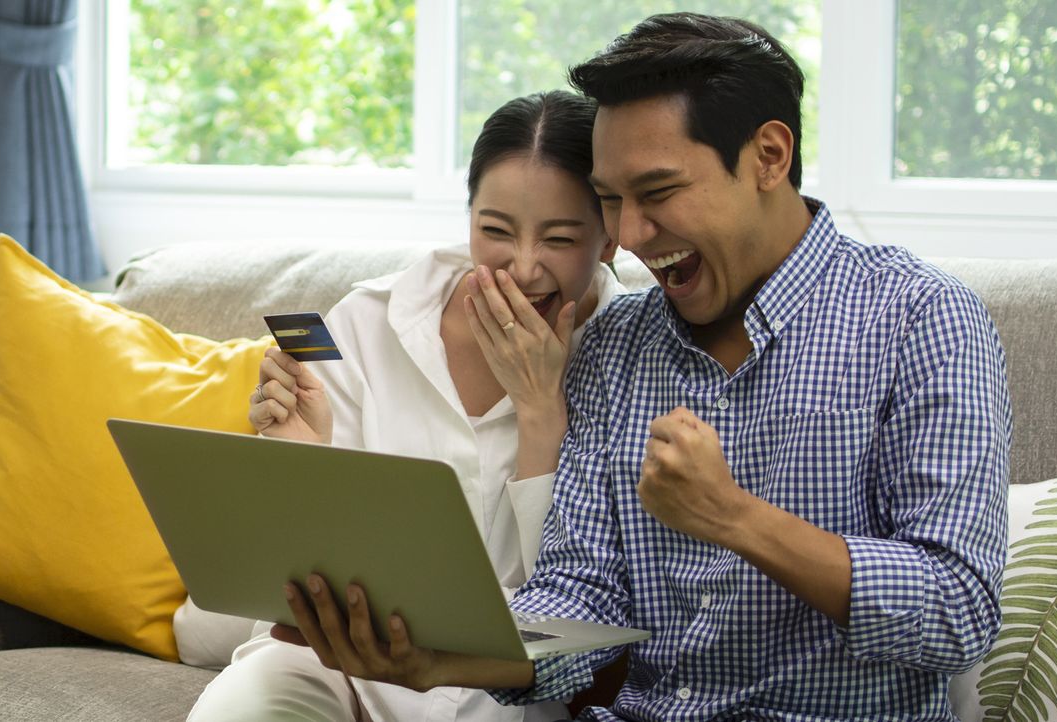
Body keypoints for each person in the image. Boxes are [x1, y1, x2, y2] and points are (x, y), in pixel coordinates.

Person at [277, 12, 1013, 721]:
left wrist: (735, 519)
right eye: (611, 202)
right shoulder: (617, 342)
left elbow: (957, 611)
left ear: (768, 157)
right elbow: (580, 600)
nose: (630, 236)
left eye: (658, 193)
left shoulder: (923, 318)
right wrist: (435, 659)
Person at [182, 89, 624, 722]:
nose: (523, 269)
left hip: (497, 689)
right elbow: (302, 561)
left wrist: (539, 412)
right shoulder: (368, 321)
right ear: (468, 217)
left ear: (608, 240)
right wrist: (302, 459)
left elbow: (573, 600)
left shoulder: (630, 354)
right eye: (495, 231)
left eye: (559, 238)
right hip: (332, 661)